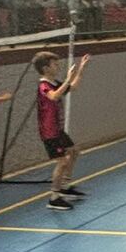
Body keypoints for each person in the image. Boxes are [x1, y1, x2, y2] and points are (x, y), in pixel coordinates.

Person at [35, 48, 90, 210]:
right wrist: (67, 79)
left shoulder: (55, 83)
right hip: (49, 131)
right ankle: (54, 198)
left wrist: (81, 69)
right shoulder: (43, 85)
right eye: (55, 64)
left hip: (57, 129)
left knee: (73, 151)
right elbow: (54, 96)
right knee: (62, 161)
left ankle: (64, 187)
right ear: (46, 68)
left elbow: (73, 87)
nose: (58, 66)